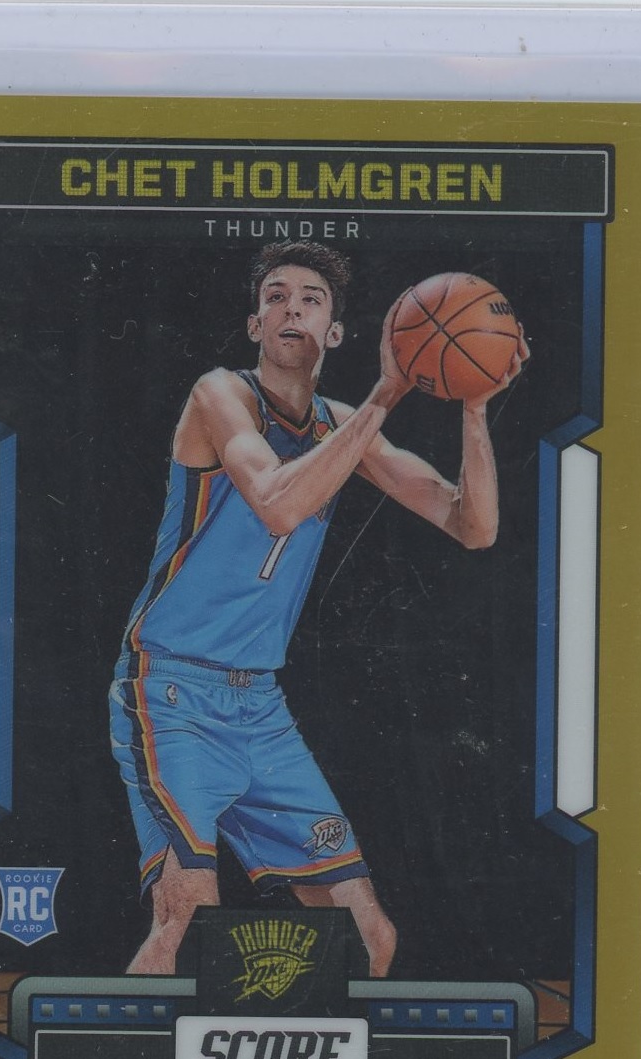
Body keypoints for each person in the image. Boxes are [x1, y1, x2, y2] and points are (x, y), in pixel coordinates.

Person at [109, 240, 527, 977]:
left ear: (334, 332)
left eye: (311, 298)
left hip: (259, 708)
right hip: (171, 694)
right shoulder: (221, 395)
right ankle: (127, 1052)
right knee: (187, 928)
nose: (291, 308)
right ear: (255, 324)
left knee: (369, 937)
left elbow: (475, 525)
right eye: (275, 296)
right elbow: (277, 503)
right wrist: (388, 392)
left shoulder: (341, 424)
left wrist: (474, 404)